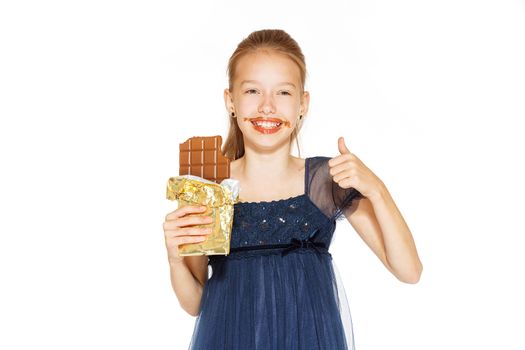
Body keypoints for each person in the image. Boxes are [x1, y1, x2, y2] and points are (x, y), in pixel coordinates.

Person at [163, 29, 423, 350]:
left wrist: (377, 190)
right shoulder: (208, 185)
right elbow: (196, 303)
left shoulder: (324, 181)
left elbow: (409, 270)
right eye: (253, 91)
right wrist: (176, 258)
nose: (267, 107)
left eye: (283, 93)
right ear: (231, 101)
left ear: (303, 104)